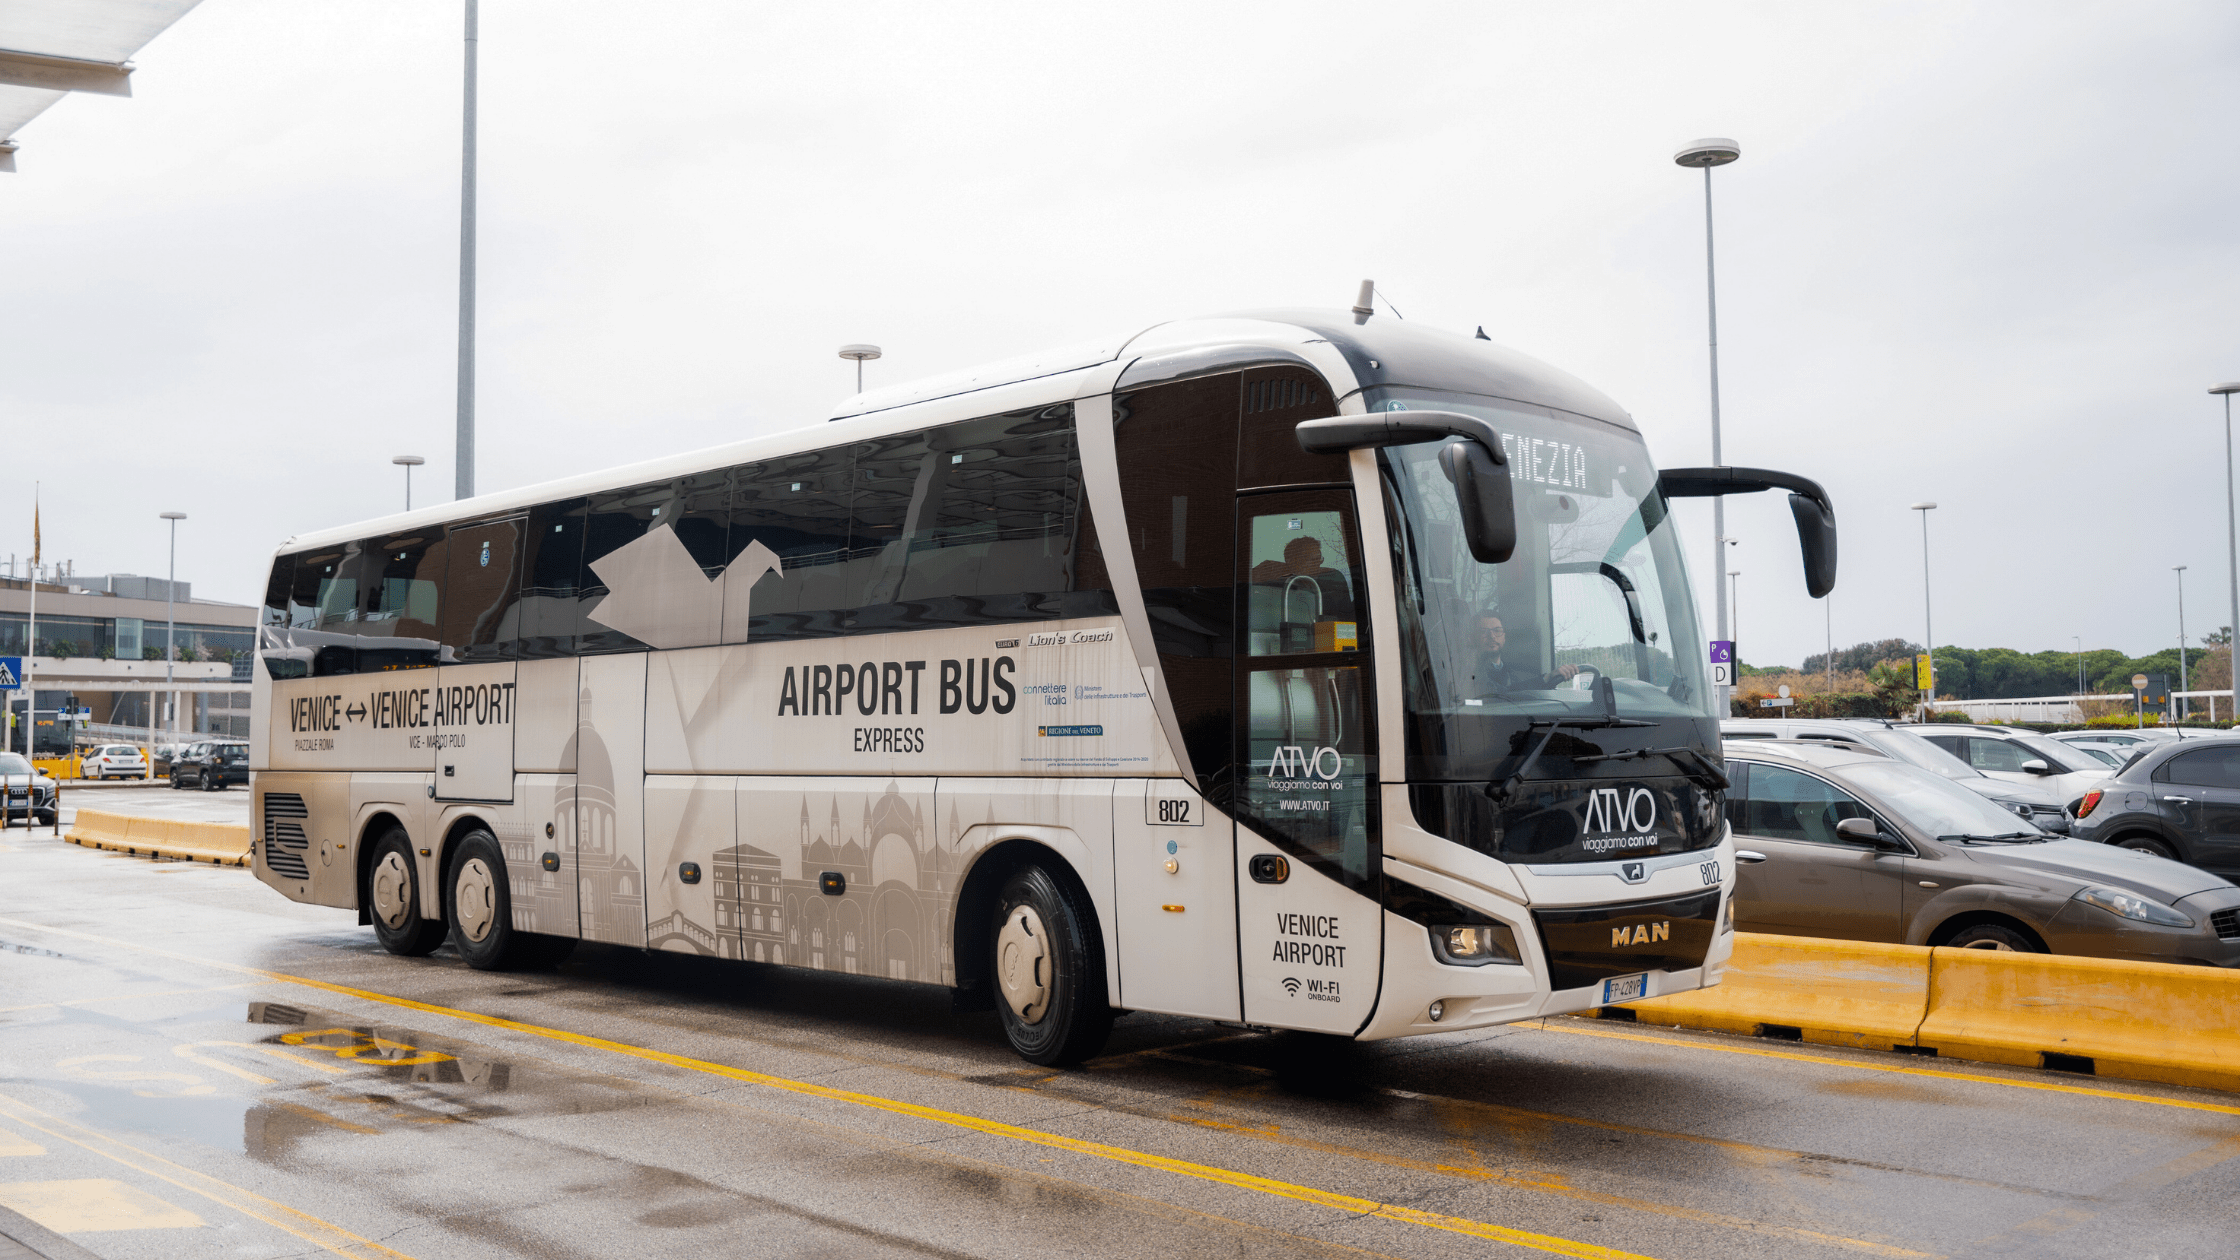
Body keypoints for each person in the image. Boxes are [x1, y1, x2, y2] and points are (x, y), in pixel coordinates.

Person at [1466, 611, 1578, 694]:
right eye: (1483, 632)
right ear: (1472, 639)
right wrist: (1546, 678)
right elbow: (1504, 694)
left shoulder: (1518, 676)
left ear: (1504, 637)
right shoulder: (1467, 674)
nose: (1492, 636)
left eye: (1497, 630)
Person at [1248, 537, 1356, 620]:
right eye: (1310, 559)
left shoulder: (1333, 580)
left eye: (1318, 558)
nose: (1316, 563)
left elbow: (1347, 618)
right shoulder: (1277, 585)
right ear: (1291, 561)